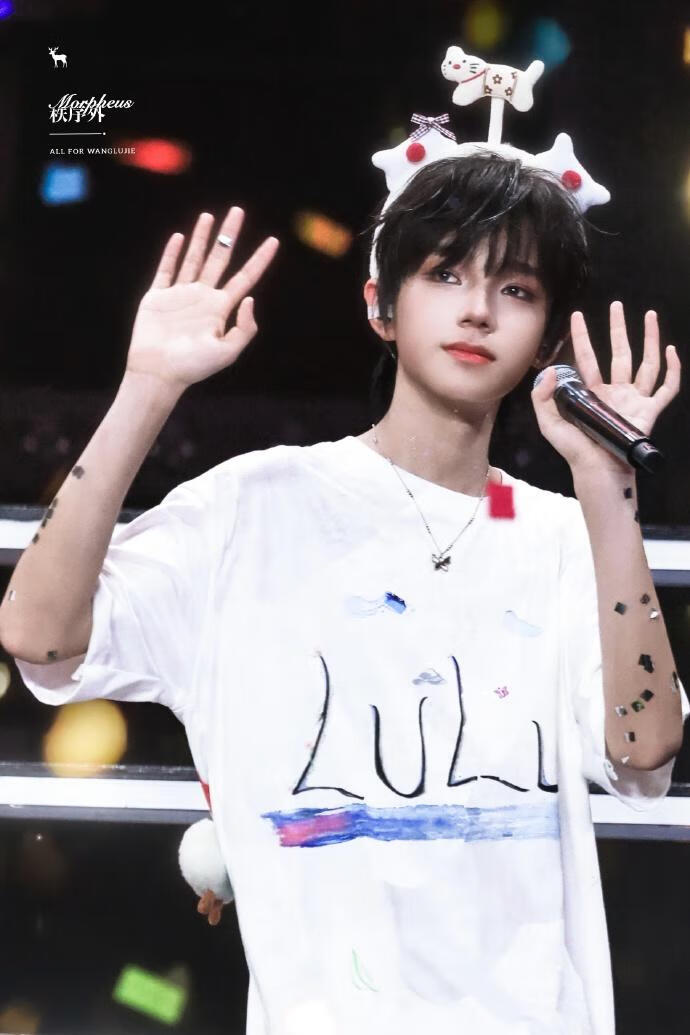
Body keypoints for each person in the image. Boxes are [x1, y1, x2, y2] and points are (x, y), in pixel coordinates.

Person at [1, 153, 687, 1035]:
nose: (477, 309)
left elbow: (645, 746)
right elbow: (40, 633)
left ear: (548, 342)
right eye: (445, 273)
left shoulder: (562, 535)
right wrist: (149, 385)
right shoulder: (256, 504)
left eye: (515, 288)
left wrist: (607, 486)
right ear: (380, 305)